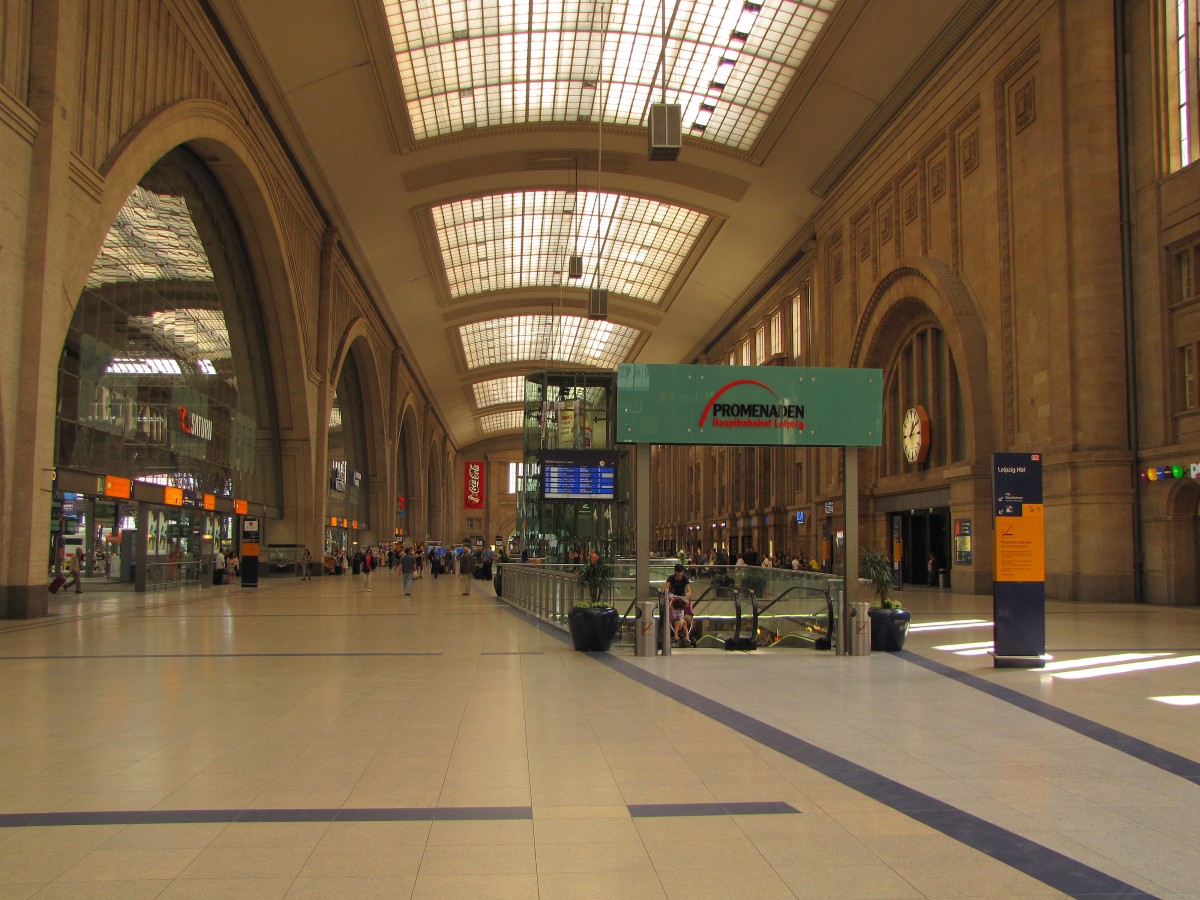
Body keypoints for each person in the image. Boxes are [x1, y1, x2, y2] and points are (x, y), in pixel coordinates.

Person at [664, 563, 693, 647]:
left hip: (682, 597)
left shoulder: (685, 579)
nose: (680, 574)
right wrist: (668, 595)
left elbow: (689, 591)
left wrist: (687, 596)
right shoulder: (671, 578)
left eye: (681, 572)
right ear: (675, 572)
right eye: (678, 572)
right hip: (673, 596)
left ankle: (687, 636)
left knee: (686, 603)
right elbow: (666, 588)